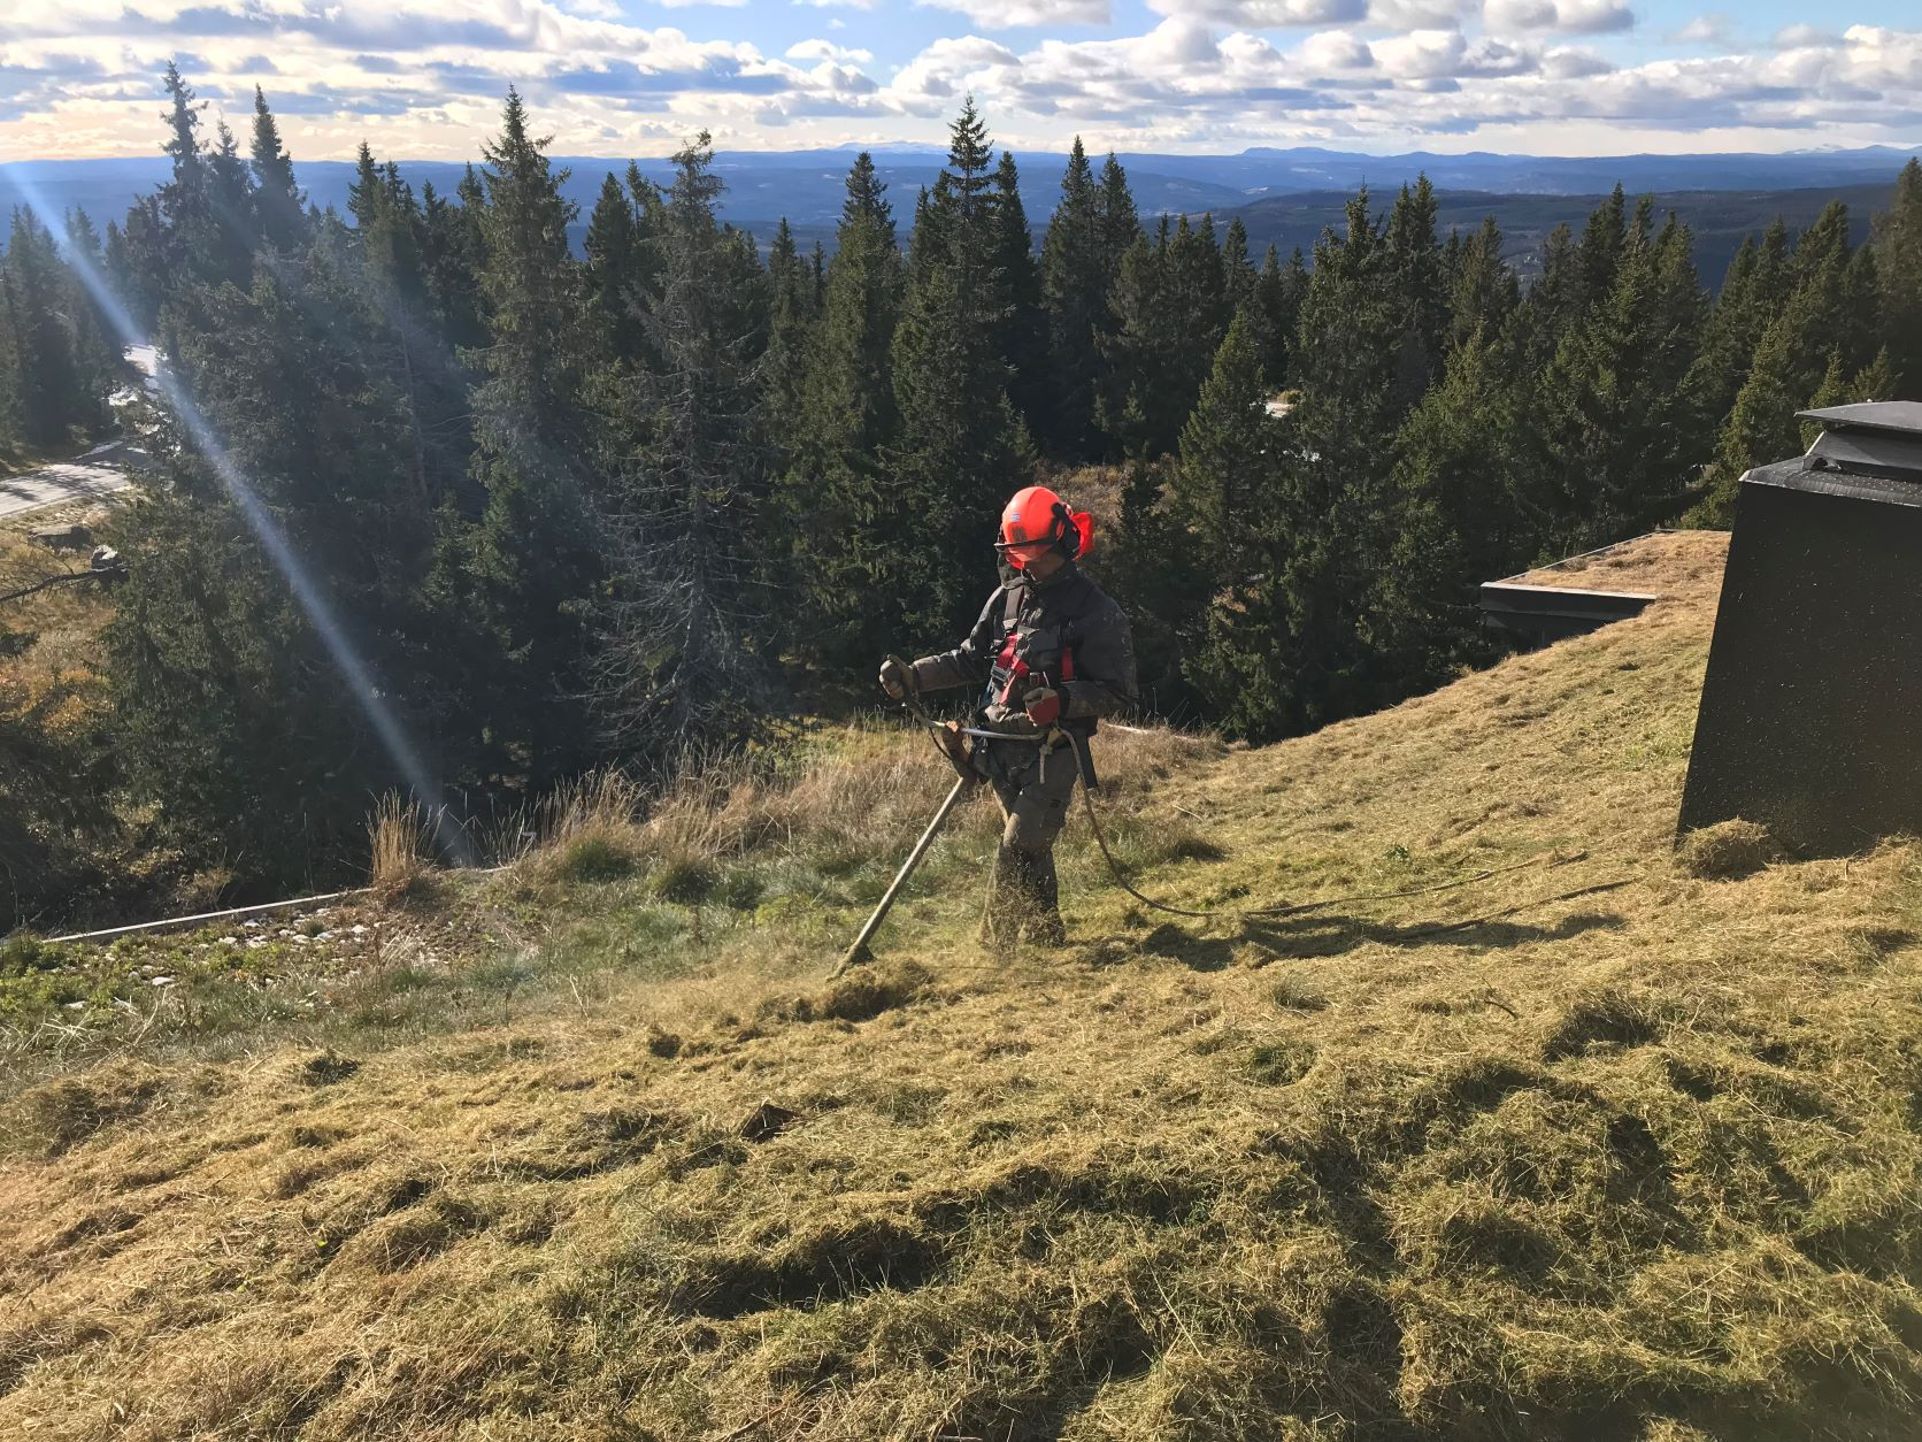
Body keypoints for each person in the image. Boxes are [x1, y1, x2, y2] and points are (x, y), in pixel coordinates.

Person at [880, 485, 1137, 946]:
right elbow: (968, 658)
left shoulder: (1096, 612)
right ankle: (1046, 937)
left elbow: (1118, 691)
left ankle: (993, 949)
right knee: (1030, 849)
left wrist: (1065, 699)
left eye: (1036, 554)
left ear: (1063, 542)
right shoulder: (1008, 597)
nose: (1028, 565)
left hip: (1052, 753)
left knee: (1017, 846)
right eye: (1020, 556)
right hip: (998, 748)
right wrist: (913, 676)